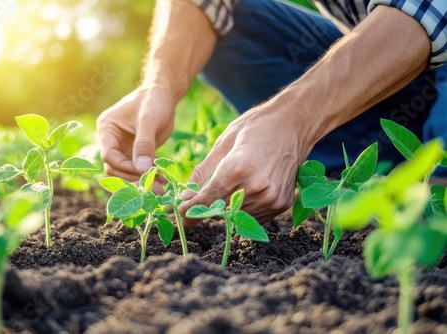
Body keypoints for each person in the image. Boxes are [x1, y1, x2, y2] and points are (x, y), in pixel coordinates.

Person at [97, 0, 447, 225]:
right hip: (392, 72)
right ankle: (379, 168)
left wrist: (292, 119)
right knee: (228, 26)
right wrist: (160, 85)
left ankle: (432, 188)